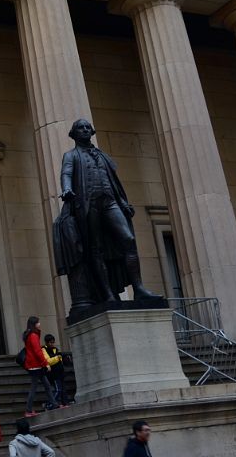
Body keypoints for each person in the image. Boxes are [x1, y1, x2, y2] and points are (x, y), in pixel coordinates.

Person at [55, 119, 161, 320]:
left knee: (128, 240)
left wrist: (122, 201)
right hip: (88, 205)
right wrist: (67, 189)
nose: (85, 130)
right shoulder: (71, 156)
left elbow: (114, 181)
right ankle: (108, 294)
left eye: (88, 127)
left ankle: (138, 288)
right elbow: (66, 174)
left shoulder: (102, 155)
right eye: (81, 128)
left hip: (110, 202)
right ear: (74, 134)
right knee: (96, 249)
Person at [21, 316, 59, 416]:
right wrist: (45, 364)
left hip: (34, 365)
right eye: (38, 322)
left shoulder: (30, 335)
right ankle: (28, 410)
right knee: (35, 387)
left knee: (46, 385)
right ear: (34, 324)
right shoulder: (33, 335)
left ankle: (54, 404)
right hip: (35, 365)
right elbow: (37, 351)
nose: (40, 324)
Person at [42, 334, 68, 406]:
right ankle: (48, 404)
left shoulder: (55, 349)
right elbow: (48, 361)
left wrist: (63, 358)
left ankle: (65, 403)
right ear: (46, 342)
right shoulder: (44, 349)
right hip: (53, 374)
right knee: (58, 390)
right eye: (50, 342)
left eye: (53, 342)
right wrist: (58, 357)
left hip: (60, 372)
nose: (52, 344)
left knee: (63, 390)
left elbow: (60, 359)